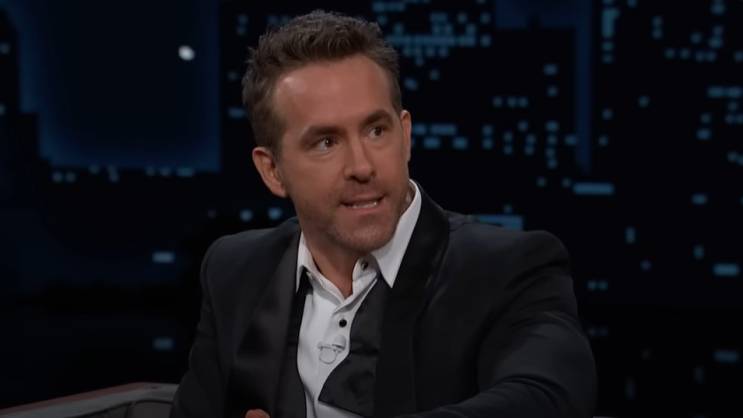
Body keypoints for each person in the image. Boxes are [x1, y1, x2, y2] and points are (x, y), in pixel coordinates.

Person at [171, 10, 596, 418]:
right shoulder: (236, 269)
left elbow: (549, 399)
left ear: (405, 135)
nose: (362, 166)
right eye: (326, 142)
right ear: (272, 170)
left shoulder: (508, 268)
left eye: (376, 131)